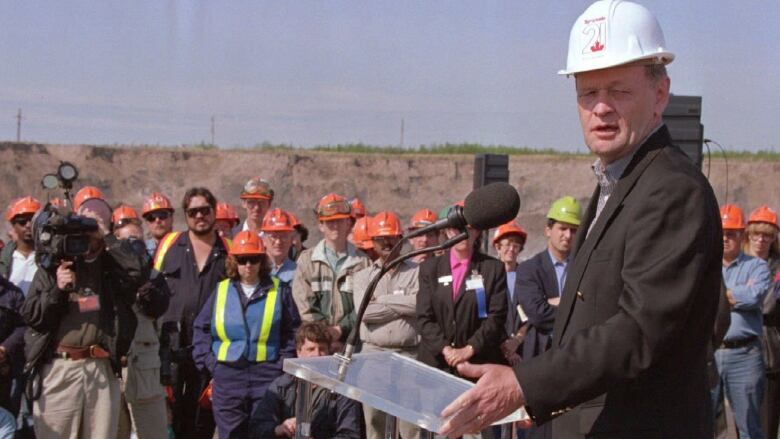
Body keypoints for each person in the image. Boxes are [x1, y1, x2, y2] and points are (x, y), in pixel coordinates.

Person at [440, 2, 723, 437]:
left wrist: (525, 384)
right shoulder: (619, 183)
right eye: (588, 93)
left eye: (619, 90)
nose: (601, 108)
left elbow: (638, 330)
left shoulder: (671, 189)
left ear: (660, 93)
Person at [22, 197, 148, 438]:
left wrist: (107, 236)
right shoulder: (55, 263)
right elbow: (34, 317)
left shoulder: (111, 266)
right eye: (82, 230)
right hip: (60, 368)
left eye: (93, 231)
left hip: (100, 368)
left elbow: (138, 272)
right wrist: (58, 290)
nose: (87, 240)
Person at [192, 230, 300, 439]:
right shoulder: (221, 290)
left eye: (253, 259)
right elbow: (201, 328)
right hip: (228, 375)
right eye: (242, 260)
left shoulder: (280, 290)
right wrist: (210, 363)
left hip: (267, 375)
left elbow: (292, 331)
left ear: (262, 261)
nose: (248, 265)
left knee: (266, 432)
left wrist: (281, 365)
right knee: (231, 434)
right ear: (234, 262)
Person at [154, 187, 230, 438]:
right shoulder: (169, 244)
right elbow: (152, 289)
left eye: (205, 210)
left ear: (214, 212)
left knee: (203, 420)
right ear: (185, 215)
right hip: (171, 349)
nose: (199, 216)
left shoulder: (228, 250)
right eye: (193, 211)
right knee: (171, 419)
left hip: (210, 351)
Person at [513, 196, 580, 439]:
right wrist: (571, 305)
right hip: (538, 361)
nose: (568, 236)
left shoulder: (585, 269)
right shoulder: (529, 269)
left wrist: (554, 302)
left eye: (573, 230)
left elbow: (592, 312)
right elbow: (537, 314)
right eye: (562, 228)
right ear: (548, 229)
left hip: (575, 364)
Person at [353, 212, 421, 439]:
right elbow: (365, 312)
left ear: (401, 239)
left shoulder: (418, 272)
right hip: (374, 355)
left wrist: (382, 300)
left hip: (410, 354)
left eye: (392, 238)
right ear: (372, 242)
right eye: (381, 240)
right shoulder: (363, 277)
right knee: (375, 423)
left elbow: (418, 305)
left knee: (411, 427)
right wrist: (401, 304)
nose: (387, 244)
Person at [713, 204, 772, 439]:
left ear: (742, 235)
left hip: (745, 354)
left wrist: (720, 296)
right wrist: (735, 294)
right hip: (712, 353)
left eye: (732, 233)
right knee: (706, 422)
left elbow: (754, 296)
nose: (726, 238)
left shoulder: (756, 266)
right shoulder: (707, 265)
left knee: (749, 424)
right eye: (723, 233)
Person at [250, 321, 362, 439]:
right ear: (299, 352)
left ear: (329, 352)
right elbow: (256, 427)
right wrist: (279, 429)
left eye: (322, 349)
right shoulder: (281, 386)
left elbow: (350, 434)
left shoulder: (341, 389)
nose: (317, 355)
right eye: (311, 349)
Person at [292, 193, 369, 351]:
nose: (335, 226)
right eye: (330, 222)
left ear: (348, 223)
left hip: (352, 344)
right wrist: (325, 335)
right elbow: (304, 305)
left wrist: (342, 330)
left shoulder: (363, 263)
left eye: (340, 221)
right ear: (321, 225)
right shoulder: (307, 261)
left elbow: (366, 305)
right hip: (317, 346)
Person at [114, 222, 170, 439]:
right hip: (116, 367)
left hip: (146, 364)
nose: (132, 246)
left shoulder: (154, 276)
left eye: (137, 240)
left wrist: (142, 280)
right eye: (125, 241)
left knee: (153, 432)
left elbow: (158, 308)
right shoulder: (107, 276)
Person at [744, 205, 780, 438]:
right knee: (743, 418)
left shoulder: (777, 267)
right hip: (741, 349)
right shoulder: (738, 262)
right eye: (756, 233)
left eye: (767, 235)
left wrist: (742, 295)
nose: (761, 239)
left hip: (771, 350)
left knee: (767, 421)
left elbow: (766, 304)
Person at [492, 221, 528, 367]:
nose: (511, 249)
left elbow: (531, 315)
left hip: (521, 349)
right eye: (507, 244)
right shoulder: (487, 277)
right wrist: (505, 347)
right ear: (497, 247)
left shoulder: (526, 277)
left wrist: (516, 341)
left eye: (516, 246)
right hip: (492, 349)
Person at [0, 197, 42, 296]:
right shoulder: (3, 259)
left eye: (33, 221)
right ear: (13, 224)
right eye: (22, 221)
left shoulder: (49, 257)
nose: (28, 225)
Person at [261, 208, 298, 286]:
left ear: (291, 239)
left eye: (284, 236)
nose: (278, 242)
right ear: (263, 240)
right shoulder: (254, 270)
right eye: (273, 236)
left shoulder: (299, 272)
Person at [141, 192, 175, 257]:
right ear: (147, 223)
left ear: (171, 218)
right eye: (151, 217)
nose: (157, 220)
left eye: (162, 215)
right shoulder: (141, 252)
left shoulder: (186, 245)